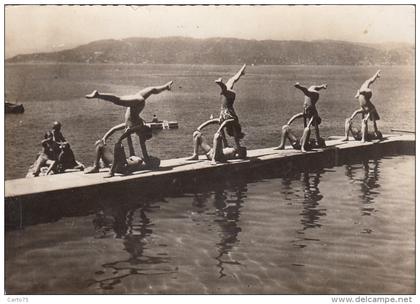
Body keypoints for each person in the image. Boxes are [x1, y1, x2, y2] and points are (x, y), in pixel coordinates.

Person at [85, 81, 172, 173]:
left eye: (153, 158)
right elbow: (135, 139)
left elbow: (115, 129)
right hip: (137, 104)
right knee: (119, 99)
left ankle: (165, 87)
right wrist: (125, 136)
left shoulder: (132, 127)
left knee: (149, 90)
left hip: (137, 103)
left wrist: (105, 138)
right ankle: (98, 95)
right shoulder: (137, 127)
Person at [85, 124, 159, 177]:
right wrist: (128, 134)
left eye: (152, 158)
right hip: (117, 162)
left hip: (122, 167)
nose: (151, 156)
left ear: (152, 163)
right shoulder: (138, 159)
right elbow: (131, 148)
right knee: (101, 145)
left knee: (118, 146)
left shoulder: (143, 163)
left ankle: (111, 172)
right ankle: (96, 167)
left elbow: (144, 152)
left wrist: (142, 142)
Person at [215, 64, 247, 150]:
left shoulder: (231, 121)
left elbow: (223, 129)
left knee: (228, 86)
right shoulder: (230, 121)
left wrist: (225, 143)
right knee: (231, 81)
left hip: (226, 108)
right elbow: (223, 129)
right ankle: (240, 72)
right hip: (227, 107)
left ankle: (221, 83)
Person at [343, 70, 382, 142]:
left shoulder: (370, 106)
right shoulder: (365, 86)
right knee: (348, 120)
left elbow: (370, 113)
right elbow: (372, 79)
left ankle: (363, 138)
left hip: (368, 106)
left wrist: (366, 118)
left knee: (367, 121)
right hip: (365, 104)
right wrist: (376, 74)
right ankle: (346, 137)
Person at [293, 82, 327, 149]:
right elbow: (315, 129)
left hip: (312, 96)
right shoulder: (314, 114)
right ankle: (322, 86)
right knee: (310, 89)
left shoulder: (308, 112)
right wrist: (317, 140)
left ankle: (322, 86)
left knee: (310, 89)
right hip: (314, 96)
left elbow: (305, 124)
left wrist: (306, 137)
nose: (312, 125)